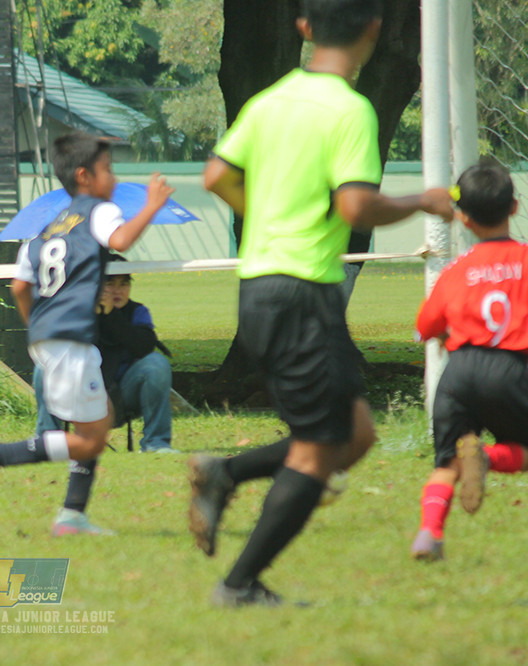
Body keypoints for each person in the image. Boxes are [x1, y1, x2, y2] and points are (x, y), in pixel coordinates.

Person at [194, 0, 455, 607]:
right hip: (302, 292)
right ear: (374, 29)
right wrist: (424, 201)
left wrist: (262, 215)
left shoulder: (270, 100)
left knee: (355, 435)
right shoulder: (351, 109)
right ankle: (238, 584)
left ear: (305, 28)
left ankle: (225, 473)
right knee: (321, 450)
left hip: (261, 289)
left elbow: (214, 176)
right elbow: (356, 207)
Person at [0, 132, 174, 534]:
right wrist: (151, 206)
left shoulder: (46, 230)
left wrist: (39, 329)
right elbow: (122, 239)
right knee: (92, 439)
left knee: (99, 422)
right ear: (84, 177)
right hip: (72, 342)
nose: (113, 178)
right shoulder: (99, 210)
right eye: (108, 169)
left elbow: (20, 287)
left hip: (51, 339)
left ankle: (73, 514)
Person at [410, 163, 528, 561]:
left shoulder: (456, 270)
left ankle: (428, 534)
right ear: (514, 207)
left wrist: (448, 338)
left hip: (459, 372)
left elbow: (426, 325)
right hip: (513, 369)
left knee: (446, 462)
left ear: (462, 215)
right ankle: (489, 457)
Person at [33, 255, 175, 453]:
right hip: (78, 395)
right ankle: (48, 443)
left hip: (122, 396)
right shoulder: (76, 310)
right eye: (109, 282)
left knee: (156, 364)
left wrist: (111, 315)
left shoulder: (138, 312)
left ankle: (156, 444)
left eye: (124, 283)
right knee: (45, 367)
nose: (117, 290)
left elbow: (144, 347)